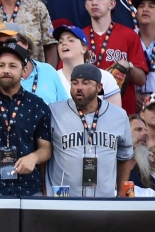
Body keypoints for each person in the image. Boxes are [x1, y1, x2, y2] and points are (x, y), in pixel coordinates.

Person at [0, 42, 52, 196]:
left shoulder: (37, 105)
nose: (6, 70)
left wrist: (34, 157)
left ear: (24, 70)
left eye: (12, 66)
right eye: (1, 65)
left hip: (27, 189)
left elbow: (46, 148)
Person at [46, 63, 134, 198]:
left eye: (85, 83)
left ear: (99, 87)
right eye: (74, 83)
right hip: (63, 199)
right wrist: (45, 194)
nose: (79, 87)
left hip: (104, 199)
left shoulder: (119, 116)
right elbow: (43, 151)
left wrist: (122, 196)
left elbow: (124, 157)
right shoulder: (54, 112)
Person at [85, 0, 148, 115]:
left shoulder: (129, 35)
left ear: (112, 4)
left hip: (121, 111)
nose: (94, 2)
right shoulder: (78, 37)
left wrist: (128, 66)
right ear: (86, 5)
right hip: (86, 112)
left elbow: (141, 80)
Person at [0, 22, 69, 105]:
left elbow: (65, 107)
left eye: (10, 42)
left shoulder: (48, 70)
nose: (5, 47)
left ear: (25, 44)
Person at [54, 25, 123, 107]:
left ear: (84, 48)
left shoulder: (104, 77)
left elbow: (116, 115)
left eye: (71, 40)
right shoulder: (52, 78)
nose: (64, 43)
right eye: (60, 42)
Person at [129, 109, 155, 194]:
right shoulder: (110, 170)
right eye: (139, 129)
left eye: (146, 130)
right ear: (125, 133)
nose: (146, 134)